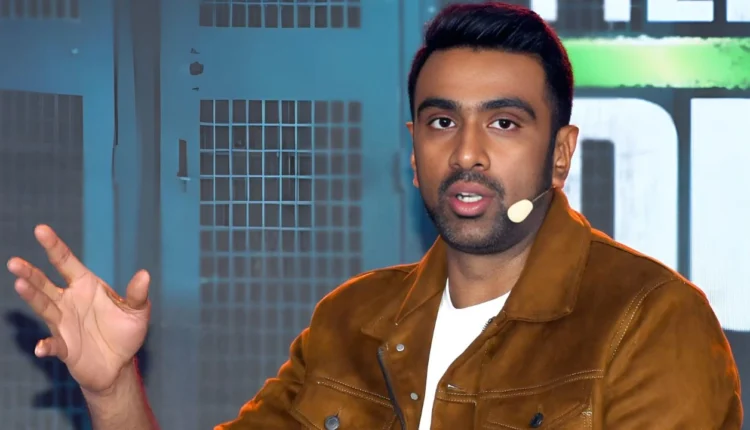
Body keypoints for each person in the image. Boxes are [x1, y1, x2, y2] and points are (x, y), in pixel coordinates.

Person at [7, 2, 742, 429]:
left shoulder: (652, 321)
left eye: (505, 123)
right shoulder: (351, 321)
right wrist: (111, 387)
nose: (468, 153)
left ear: (560, 153)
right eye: (442, 122)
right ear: (414, 151)